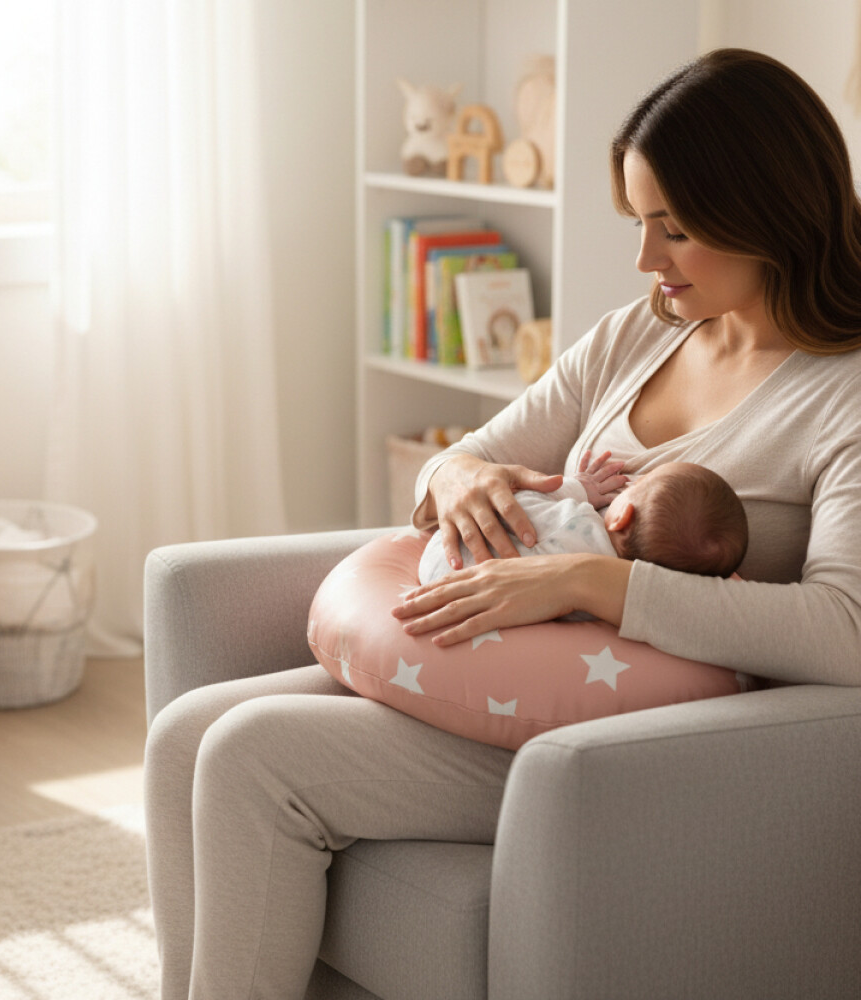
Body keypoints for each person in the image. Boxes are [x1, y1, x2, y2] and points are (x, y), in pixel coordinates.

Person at [144, 49, 861, 1000]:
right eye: (639, 222)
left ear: (767, 213)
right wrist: (467, 474)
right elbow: (456, 460)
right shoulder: (639, 333)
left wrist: (584, 580)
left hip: (636, 737)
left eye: (675, 230)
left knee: (251, 756)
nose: (647, 259)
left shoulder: (843, 394)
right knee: (185, 733)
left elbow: (847, 632)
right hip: (506, 667)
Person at [418, 451, 749, 589]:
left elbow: (518, 502)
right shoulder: (614, 592)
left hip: (447, 564)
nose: (633, 481)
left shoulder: (574, 521)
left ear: (619, 516)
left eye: (640, 482)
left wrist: (577, 489)